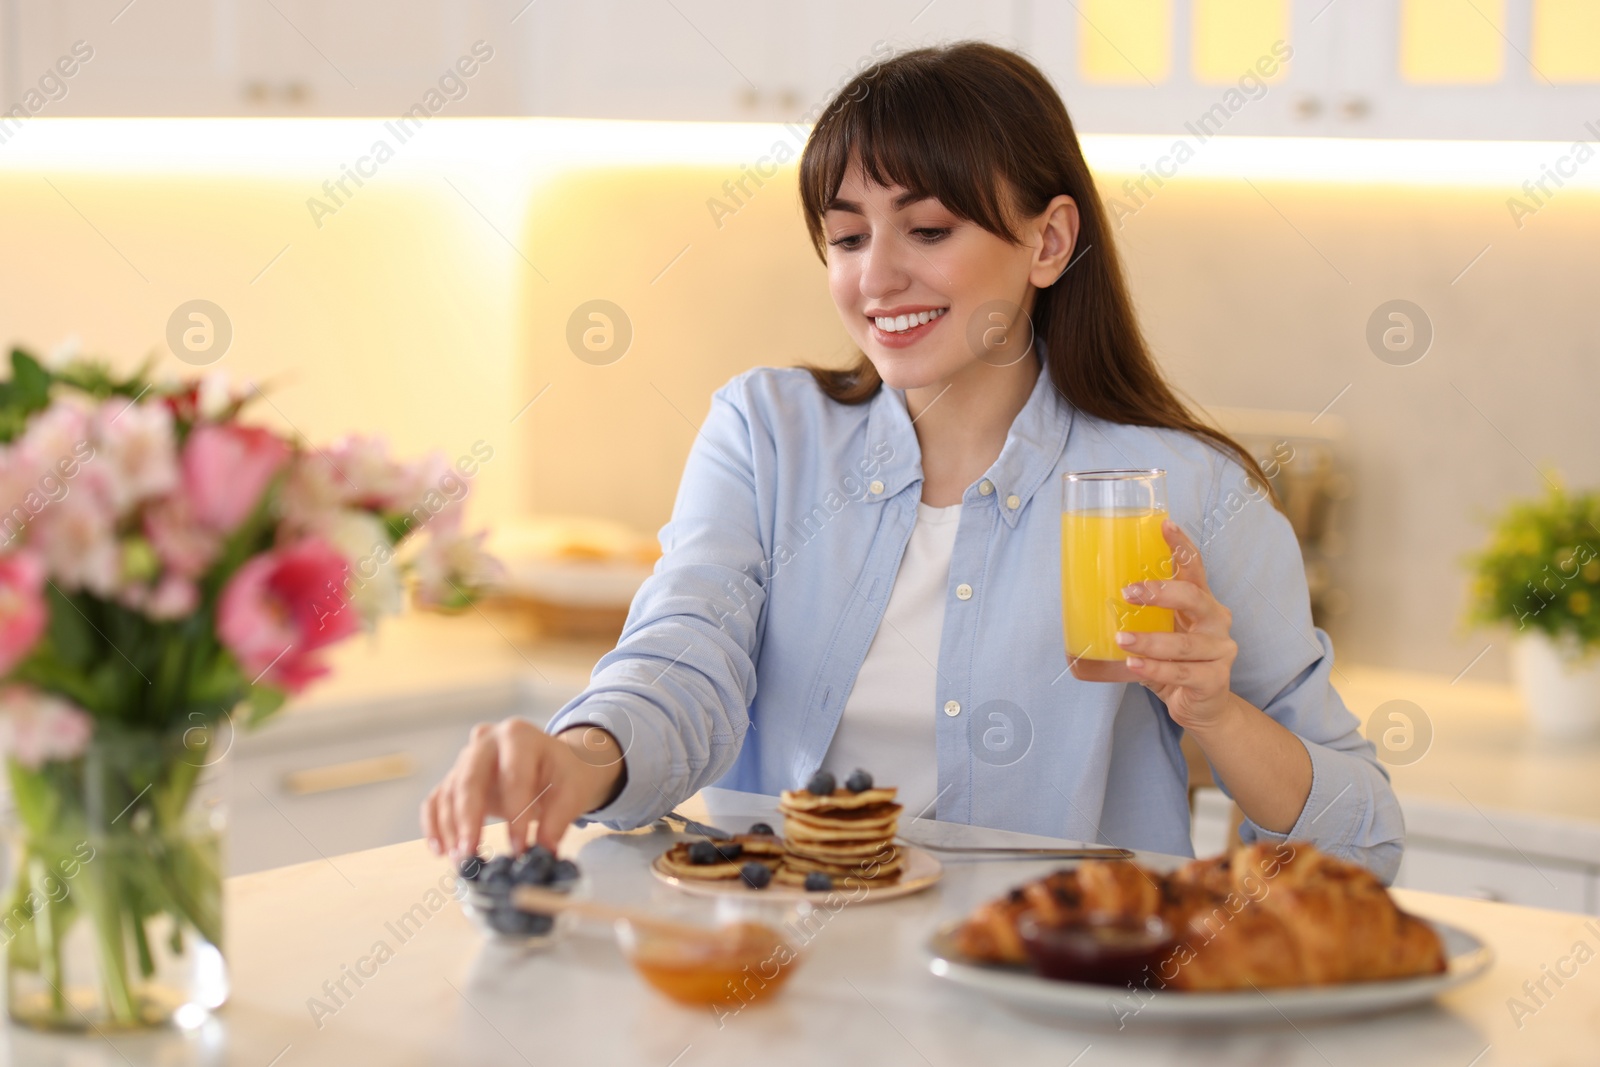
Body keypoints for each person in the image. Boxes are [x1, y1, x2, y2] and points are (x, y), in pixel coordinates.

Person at [421, 41, 1405, 883]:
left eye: (928, 229)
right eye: (847, 236)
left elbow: (1365, 838)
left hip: (1050, 993)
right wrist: (578, 751)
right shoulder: (767, 433)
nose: (876, 275)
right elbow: (686, 655)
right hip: (782, 980)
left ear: (1049, 240)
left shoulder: (1187, 490)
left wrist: (1216, 711)